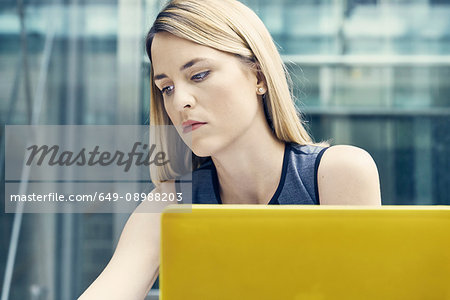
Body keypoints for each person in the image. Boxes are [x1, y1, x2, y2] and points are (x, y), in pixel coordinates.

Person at [78, 0, 381, 298]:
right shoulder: (170, 202)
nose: (180, 100)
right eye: (166, 88)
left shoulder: (337, 174)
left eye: (199, 75)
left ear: (259, 77)